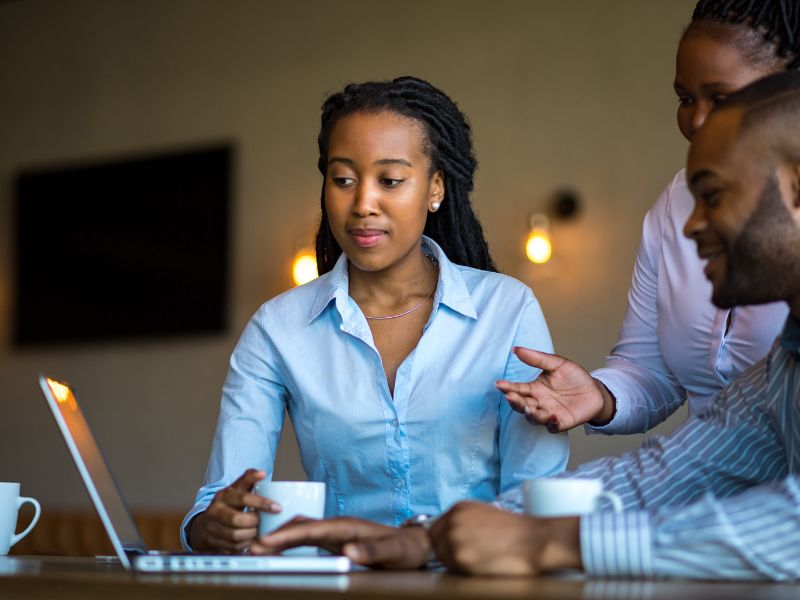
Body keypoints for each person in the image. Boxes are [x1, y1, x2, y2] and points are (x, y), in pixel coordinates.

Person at [252, 70, 800, 581]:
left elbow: (787, 525)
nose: (692, 227)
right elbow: (664, 475)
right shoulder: (783, 371)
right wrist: (429, 538)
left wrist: (547, 545)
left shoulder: (507, 304)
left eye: (714, 196)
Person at [182, 77, 568, 552]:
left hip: (476, 582)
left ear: (435, 189)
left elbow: (537, 495)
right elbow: (215, 503)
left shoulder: (506, 309)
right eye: (343, 180)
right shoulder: (278, 329)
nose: (363, 204)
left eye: (390, 180)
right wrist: (216, 526)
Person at [500, 0, 796, 436]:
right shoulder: (673, 206)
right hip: (699, 478)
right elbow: (650, 373)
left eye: (722, 98)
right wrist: (599, 397)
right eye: (685, 98)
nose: (697, 121)